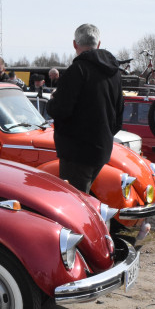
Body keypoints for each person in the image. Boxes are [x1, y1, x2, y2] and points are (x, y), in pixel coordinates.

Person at [46, 23, 123, 193]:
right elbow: (119, 116)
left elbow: (60, 110)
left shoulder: (77, 70)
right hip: (102, 149)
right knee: (84, 199)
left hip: (77, 152)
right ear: (99, 44)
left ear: (75, 44)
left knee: (74, 203)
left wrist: (52, 101)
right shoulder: (115, 73)